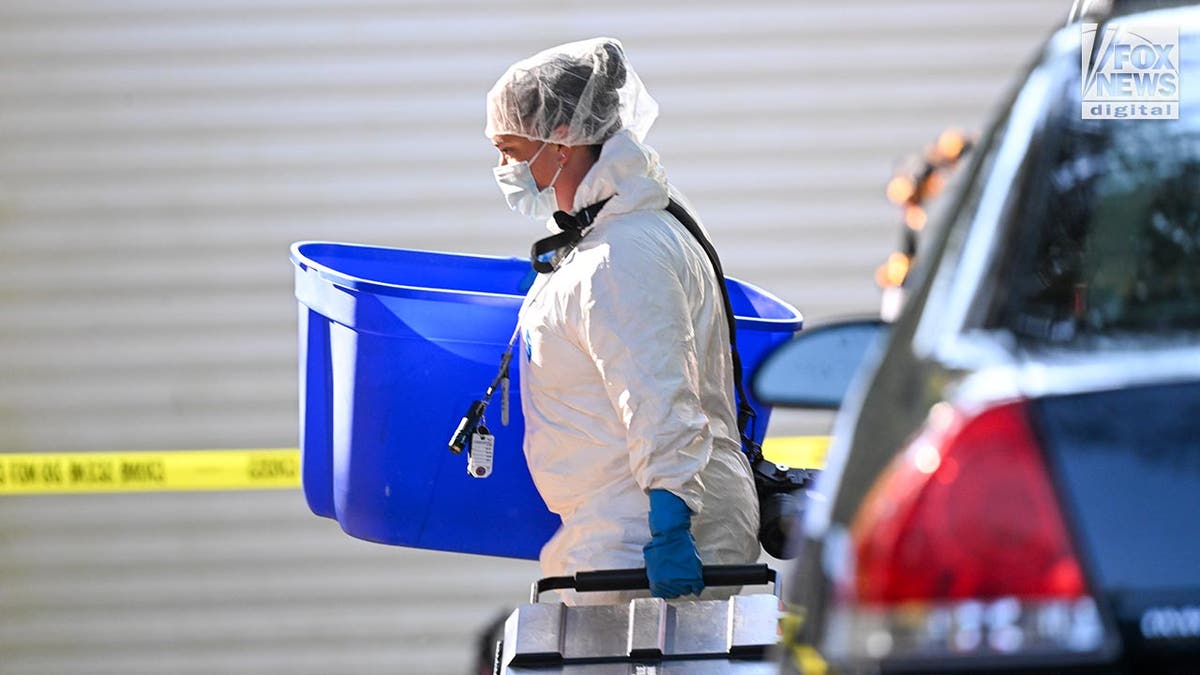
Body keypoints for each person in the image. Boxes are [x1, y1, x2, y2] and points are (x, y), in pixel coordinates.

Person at [485, 37, 760, 604]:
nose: (504, 168)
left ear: (560, 140)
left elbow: (660, 394)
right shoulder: (623, 230)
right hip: (617, 534)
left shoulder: (621, 255)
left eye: (510, 149)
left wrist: (669, 528)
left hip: (639, 552)